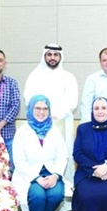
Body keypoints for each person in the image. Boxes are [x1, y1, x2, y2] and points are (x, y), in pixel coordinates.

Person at [12, 95, 67, 211]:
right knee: (38, 197)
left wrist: (56, 175)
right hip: (29, 175)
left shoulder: (54, 130)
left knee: (56, 195)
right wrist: (35, 178)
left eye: (45, 109)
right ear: (31, 109)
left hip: (51, 173)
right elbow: (19, 160)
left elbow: (62, 156)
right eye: (38, 108)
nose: (41, 112)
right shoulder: (22, 131)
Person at [23, 43, 78, 178]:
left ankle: (66, 186)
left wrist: (57, 115)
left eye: (55, 55)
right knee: (39, 154)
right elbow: (28, 98)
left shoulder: (68, 77)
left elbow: (73, 101)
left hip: (62, 122)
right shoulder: (34, 76)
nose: (52, 58)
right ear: (44, 56)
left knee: (63, 153)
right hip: (39, 124)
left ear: (60, 57)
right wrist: (43, 115)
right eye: (49, 54)